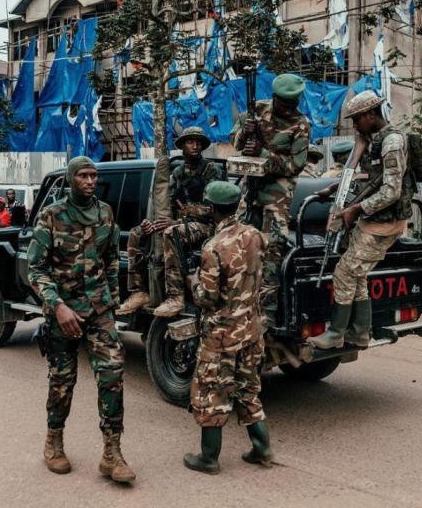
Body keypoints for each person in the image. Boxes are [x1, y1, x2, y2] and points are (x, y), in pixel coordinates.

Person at [27, 156, 135, 483]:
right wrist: (57, 307)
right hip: (64, 312)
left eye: (93, 176)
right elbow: (36, 269)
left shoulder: (105, 212)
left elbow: (111, 259)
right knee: (62, 379)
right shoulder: (51, 216)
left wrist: (112, 300)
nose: (90, 181)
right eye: (83, 176)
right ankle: (54, 442)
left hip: (99, 309)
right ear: (71, 179)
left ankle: (112, 452)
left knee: (112, 373)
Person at [307, 91, 414, 349]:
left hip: (383, 224)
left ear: (370, 114)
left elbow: (391, 191)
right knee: (358, 275)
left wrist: (356, 210)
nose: (355, 126)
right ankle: (360, 332)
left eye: (356, 120)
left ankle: (336, 333)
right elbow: (370, 177)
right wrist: (334, 188)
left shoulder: (391, 142)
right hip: (372, 220)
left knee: (344, 272)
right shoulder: (371, 140)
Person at [183, 181, 270, 475]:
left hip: (222, 336)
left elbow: (206, 297)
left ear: (211, 209)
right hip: (252, 329)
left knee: (212, 393)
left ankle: (208, 459)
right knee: (248, 389)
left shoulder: (213, 247)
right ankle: (262, 449)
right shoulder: (256, 235)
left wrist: (192, 281)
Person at [118, 126, 225, 317]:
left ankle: (176, 296)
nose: (195, 145)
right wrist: (152, 223)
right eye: (191, 141)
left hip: (207, 226)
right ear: (182, 146)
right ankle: (139, 292)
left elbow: (214, 209)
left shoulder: (211, 170)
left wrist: (180, 218)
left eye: (199, 142)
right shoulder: (178, 173)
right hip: (181, 224)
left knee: (171, 233)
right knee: (137, 232)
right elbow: (166, 204)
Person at [230, 73, 310, 317]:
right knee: (240, 242)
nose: (289, 109)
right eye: (285, 104)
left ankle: (267, 311)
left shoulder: (301, 124)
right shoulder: (257, 111)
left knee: (272, 248)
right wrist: (245, 134)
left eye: (293, 104)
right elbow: (234, 144)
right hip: (250, 188)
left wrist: (263, 154)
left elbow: (295, 164)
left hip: (277, 194)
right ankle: (238, 301)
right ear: (275, 98)